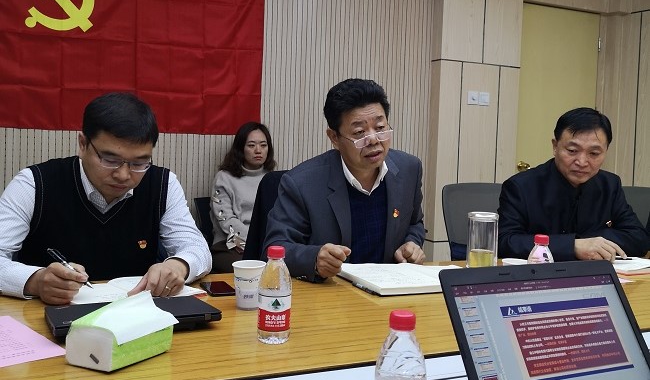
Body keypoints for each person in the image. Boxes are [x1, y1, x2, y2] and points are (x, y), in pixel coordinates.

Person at [0, 92, 212, 305]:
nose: (123, 175)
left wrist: (178, 266)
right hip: (47, 316)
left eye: (139, 163)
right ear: (83, 144)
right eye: (110, 160)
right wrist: (35, 281)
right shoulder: (35, 183)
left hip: (137, 314)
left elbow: (197, 248)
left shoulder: (162, 183)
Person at [263, 78, 426, 281]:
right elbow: (275, 247)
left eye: (380, 127)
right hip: (334, 292)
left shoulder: (409, 169)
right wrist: (314, 259)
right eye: (359, 132)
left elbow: (414, 223)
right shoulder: (301, 183)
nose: (373, 139)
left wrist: (412, 243)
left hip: (390, 288)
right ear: (334, 138)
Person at [498, 107, 648, 261]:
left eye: (594, 153)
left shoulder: (610, 185)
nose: (582, 162)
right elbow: (504, 242)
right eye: (572, 150)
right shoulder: (521, 186)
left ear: (605, 152)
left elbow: (639, 238)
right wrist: (573, 246)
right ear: (555, 146)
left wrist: (593, 243)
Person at [209, 122, 276, 272]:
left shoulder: (272, 178)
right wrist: (254, 242)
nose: (258, 150)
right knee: (253, 269)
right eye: (251, 145)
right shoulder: (224, 178)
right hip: (229, 244)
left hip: (265, 243)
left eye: (263, 145)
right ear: (241, 149)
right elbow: (226, 219)